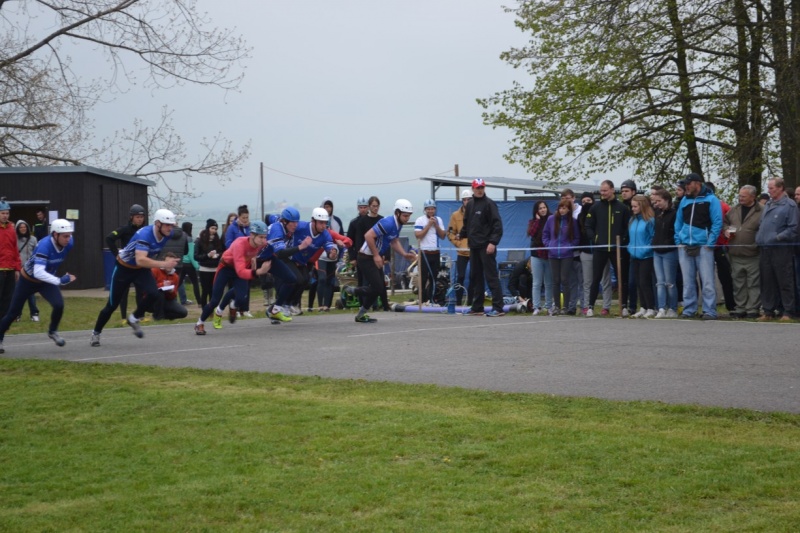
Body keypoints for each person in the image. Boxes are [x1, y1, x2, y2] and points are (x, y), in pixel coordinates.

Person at [90, 209, 179, 346]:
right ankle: (96, 333)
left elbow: (143, 262)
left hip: (140, 270)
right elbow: (140, 260)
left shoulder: (168, 233)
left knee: (153, 293)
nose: (170, 228)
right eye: (167, 225)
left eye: (171, 225)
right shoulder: (145, 235)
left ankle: (134, 318)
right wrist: (163, 264)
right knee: (112, 305)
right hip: (124, 268)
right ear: (157, 224)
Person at [0, 219, 76, 354]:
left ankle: (52, 331)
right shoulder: (44, 246)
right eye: (65, 236)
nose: (68, 239)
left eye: (69, 235)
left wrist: (55, 279)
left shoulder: (69, 242)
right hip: (27, 280)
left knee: (59, 305)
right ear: (55, 234)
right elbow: (38, 272)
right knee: (13, 313)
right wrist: (59, 280)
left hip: (45, 281)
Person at [343, 199, 417, 323]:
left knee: (379, 288)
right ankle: (353, 291)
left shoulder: (398, 224)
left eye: (409, 216)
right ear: (397, 213)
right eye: (405, 215)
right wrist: (376, 255)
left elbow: (394, 241)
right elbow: (368, 236)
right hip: (365, 257)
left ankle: (361, 314)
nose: (407, 218)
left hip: (373, 258)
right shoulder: (388, 223)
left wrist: (404, 254)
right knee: (377, 287)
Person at [195, 221, 272, 335]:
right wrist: (258, 271)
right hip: (226, 268)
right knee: (215, 300)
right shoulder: (239, 244)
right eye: (261, 237)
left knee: (242, 297)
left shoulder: (262, 244)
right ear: (252, 235)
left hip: (241, 268)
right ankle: (199, 323)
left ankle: (232, 305)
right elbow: (240, 271)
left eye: (265, 237)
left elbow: (271, 251)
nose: (263, 240)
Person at [674, 173, 723, 320]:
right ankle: (689, 309)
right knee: (687, 281)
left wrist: (710, 242)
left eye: (688, 184)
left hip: (703, 246)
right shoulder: (684, 200)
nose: (686, 187)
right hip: (685, 245)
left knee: (707, 280)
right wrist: (678, 240)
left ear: (697, 183)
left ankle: (710, 310)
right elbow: (678, 222)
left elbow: (717, 222)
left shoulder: (712, 200)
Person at [584, 180, 631, 317]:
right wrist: (595, 239)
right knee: (596, 278)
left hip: (617, 249)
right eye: (601, 191)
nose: (602, 193)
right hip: (600, 248)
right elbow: (588, 225)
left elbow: (627, 227)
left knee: (621, 278)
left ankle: (624, 306)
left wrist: (623, 240)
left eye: (605, 190)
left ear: (612, 190)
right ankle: (590, 307)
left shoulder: (622, 208)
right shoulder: (595, 207)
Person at [459, 179, 505, 317]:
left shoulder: (490, 204)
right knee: (475, 277)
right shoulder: (470, 204)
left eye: (482, 187)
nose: (480, 190)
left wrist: (493, 242)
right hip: (474, 246)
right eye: (477, 188)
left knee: (491, 276)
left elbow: (497, 225)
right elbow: (467, 223)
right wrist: (462, 234)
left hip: (486, 246)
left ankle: (498, 307)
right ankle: (477, 307)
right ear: (472, 189)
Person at [755, 177, 798, 321]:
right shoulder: (768, 204)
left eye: (771, 188)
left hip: (781, 249)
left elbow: (793, 228)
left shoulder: (790, 205)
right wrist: (759, 237)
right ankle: (768, 311)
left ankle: (788, 311)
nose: (769, 191)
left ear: (780, 188)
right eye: (768, 188)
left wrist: (778, 237)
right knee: (767, 281)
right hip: (765, 248)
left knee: (784, 280)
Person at [264, 207, 311, 323]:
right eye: (292, 222)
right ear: (284, 222)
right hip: (265, 258)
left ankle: (276, 309)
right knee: (285, 282)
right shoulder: (277, 229)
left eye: (297, 222)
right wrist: (301, 247)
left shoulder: (279, 220)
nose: (295, 225)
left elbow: (268, 217)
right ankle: (277, 309)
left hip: (274, 257)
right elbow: (280, 253)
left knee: (294, 279)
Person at [723, 185, 762, 318]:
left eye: (743, 196)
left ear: (753, 196)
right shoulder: (733, 210)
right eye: (739, 196)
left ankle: (752, 309)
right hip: (735, 253)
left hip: (753, 254)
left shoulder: (762, 210)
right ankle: (740, 308)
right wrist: (726, 230)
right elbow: (724, 223)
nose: (740, 198)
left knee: (753, 283)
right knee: (738, 283)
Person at [105, 203, 146, 320]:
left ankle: (140, 316)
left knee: (140, 291)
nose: (140, 219)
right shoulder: (125, 229)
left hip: (139, 264)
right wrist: (116, 255)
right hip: (126, 265)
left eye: (141, 217)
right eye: (137, 217)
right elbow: (109, 238)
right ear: (131, 217)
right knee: (124, 292)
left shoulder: (144, 230)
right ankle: (123, 317)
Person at [577, 192, 613, 316]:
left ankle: (606, 306)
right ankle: (587, 305)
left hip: (602, 251)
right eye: (583, 201)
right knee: (587, 281)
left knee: (605, 280)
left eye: (588, 200)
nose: (586, 203)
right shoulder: (580, 217)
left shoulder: (601, 213)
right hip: (586, 253)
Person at [543, 198, 580, 315]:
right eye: (560, 208)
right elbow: (545, 234)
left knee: (564, 279)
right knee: (555, 280)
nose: (562, 210)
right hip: (553, 254)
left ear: (569, 209)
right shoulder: (551, 219)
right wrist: (549, 245)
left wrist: (569, 247)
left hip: (566, 255)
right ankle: (557, 306)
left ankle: (566, 306)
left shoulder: (573, 221)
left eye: (564, 208)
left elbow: (577, 238)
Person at [651, 189, 679, 318]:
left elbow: (675, 232)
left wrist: (668, 242)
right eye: (655, 201)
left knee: (670, 282)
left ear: (667, 200)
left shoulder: (674, 213)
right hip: (657, 250)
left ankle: (672, 308)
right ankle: (661, 307)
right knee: (660, 282)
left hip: (669, 251)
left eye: (659, 201)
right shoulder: (657, 212)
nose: (656, 203)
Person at [628, 195, 656, 318]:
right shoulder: (632, 220)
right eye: (632, 206)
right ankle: (643, 307)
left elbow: (653, 238)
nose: (633, 208)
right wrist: (630, 248)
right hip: (634, 256)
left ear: (642, 206)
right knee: (638, 282)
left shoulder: (650, 220)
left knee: (645, 282)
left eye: (635, 206)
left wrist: (646, 249)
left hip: (647, 256)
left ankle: (651, 307)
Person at [414, 199, 447, 305]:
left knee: (433, 277)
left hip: (435, 252)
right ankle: (422, 299)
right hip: (424, 253)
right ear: (425, 210)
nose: (430, 211)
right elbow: (418, 236)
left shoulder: (439, 220)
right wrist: (428, 225)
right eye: (428, 209)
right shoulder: (420, 220)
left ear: (435, 209)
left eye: (432, 209)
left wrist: (436, 225)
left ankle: (431, 299)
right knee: (423, 278)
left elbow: (443, 236)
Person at [447, 189, 473, 306]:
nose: (466, 202)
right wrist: (458, 244)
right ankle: (458, 302)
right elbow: (450, 233)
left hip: (474, 251)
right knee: (460, 276)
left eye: (469, 199)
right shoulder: (455, 215)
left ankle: (471, 302)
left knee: (473, 276)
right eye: (464, 199)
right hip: (462, 252)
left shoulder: (476, 213)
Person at [528, 201, 553, 316]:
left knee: (548, 283)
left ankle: (549, 306)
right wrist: (537, 221)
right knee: (536, 283)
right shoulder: (533, 222)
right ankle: (536, 307)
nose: (543, 210)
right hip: (536, 256)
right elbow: (531, 233)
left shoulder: (552, 220)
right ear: (536, 211)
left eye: (544, 207)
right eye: (540, 208)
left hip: (549, 255)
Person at [148, 252, 188, 320]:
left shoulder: (175, 276)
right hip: (151, 300)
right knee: (160, 292)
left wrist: (171, 291)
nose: (169, 265)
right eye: (168, 263)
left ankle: (164, 315)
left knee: (183, 312)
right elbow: (149, 287)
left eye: (172, 263)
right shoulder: (155, 270)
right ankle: (158, 317)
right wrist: (162, 285)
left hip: (167, 300)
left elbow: (173, 296)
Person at [194, 219, 224, 307]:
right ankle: (204, 309)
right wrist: (207, 255)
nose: (214, 231)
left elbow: (222, 251)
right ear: (208, 228)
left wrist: (218, 255)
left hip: (215, 268)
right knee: (205, 290)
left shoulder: (217, 240)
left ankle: (211, 309)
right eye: (212, 228)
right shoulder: (200, 240)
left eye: (215, 229)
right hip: (204, 269)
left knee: (213, 290)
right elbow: (196, 256)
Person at [0, 198, 22, 320]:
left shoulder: (11, 229)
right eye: (2, 213)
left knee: (8, 297)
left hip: (10, 269)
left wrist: (17, 268)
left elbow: (15, 249)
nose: (5, 215)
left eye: (7, 213)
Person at [619, 179, 638, 315]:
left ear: (633, 192)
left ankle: (635, 304)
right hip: (623, 246)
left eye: (626, 191)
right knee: (624, 278)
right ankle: (625, 305)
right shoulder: (620, 207)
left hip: (636, 246)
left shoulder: (637, 207)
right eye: (622, 191)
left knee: (635, 280)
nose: (624, 193)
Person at [15, 220, 40, 322]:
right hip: (19, 269)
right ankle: (17, 314)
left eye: (24, 227)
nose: (23, 229)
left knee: (30, 293)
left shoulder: (33, 239)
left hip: (30, 270)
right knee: (18, 293)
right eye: (21, 227)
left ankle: (34, 313)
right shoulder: (14, 239)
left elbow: (37, 253)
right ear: (17, 229)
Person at [178, 221, 201, 305]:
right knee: (195, 283)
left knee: (178, 283)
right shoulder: (189, 238)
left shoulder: (180, 237)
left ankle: (171, 299)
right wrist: (196, 266)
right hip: (189, 264)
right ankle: (199, 301)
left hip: (181, 263)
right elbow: (191, 254)